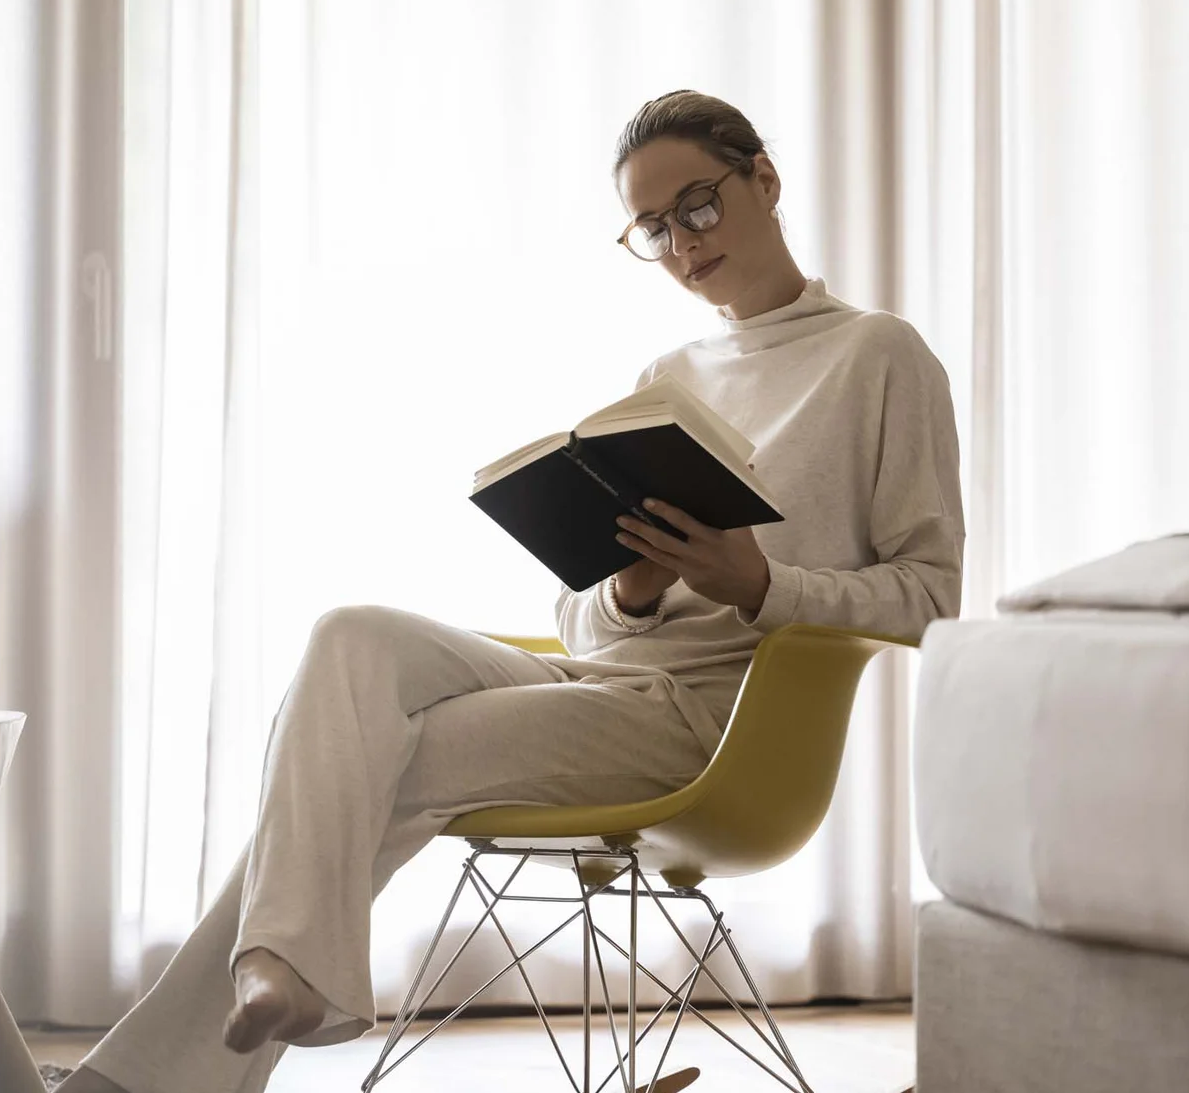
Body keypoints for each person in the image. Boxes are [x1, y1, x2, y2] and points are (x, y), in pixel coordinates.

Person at [57, 89, 966, 1093]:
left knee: (390, 755)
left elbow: (929, 598)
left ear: (765, 180)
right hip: (602, 677)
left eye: (698, 207)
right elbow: (584, 618)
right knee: (352, 635)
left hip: (717, 719)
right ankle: (276, 969)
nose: (681, 244)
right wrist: (628, 590)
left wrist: (759, 583)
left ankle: (186, 1045)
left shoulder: (879, 357)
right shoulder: (673, 370)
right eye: (653, 228)